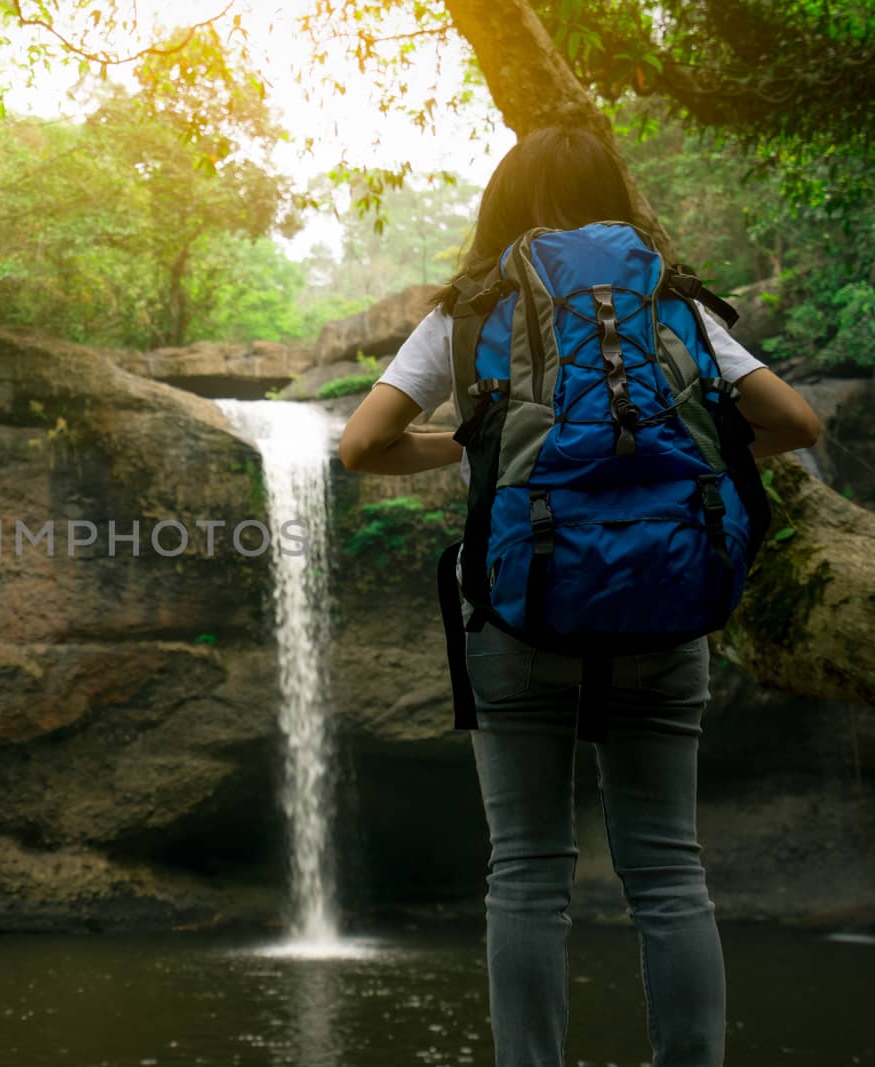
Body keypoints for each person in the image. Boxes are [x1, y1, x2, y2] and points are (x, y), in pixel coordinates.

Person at [337, 126, 821, 1067]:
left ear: (505, 205)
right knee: (670, 874)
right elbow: (794, 423)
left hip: (519, 614)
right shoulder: (670, 305)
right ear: (616, 197)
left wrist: (481, 444)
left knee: (525, 871)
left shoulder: (472, 312)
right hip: (668, 603)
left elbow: (361, 446)